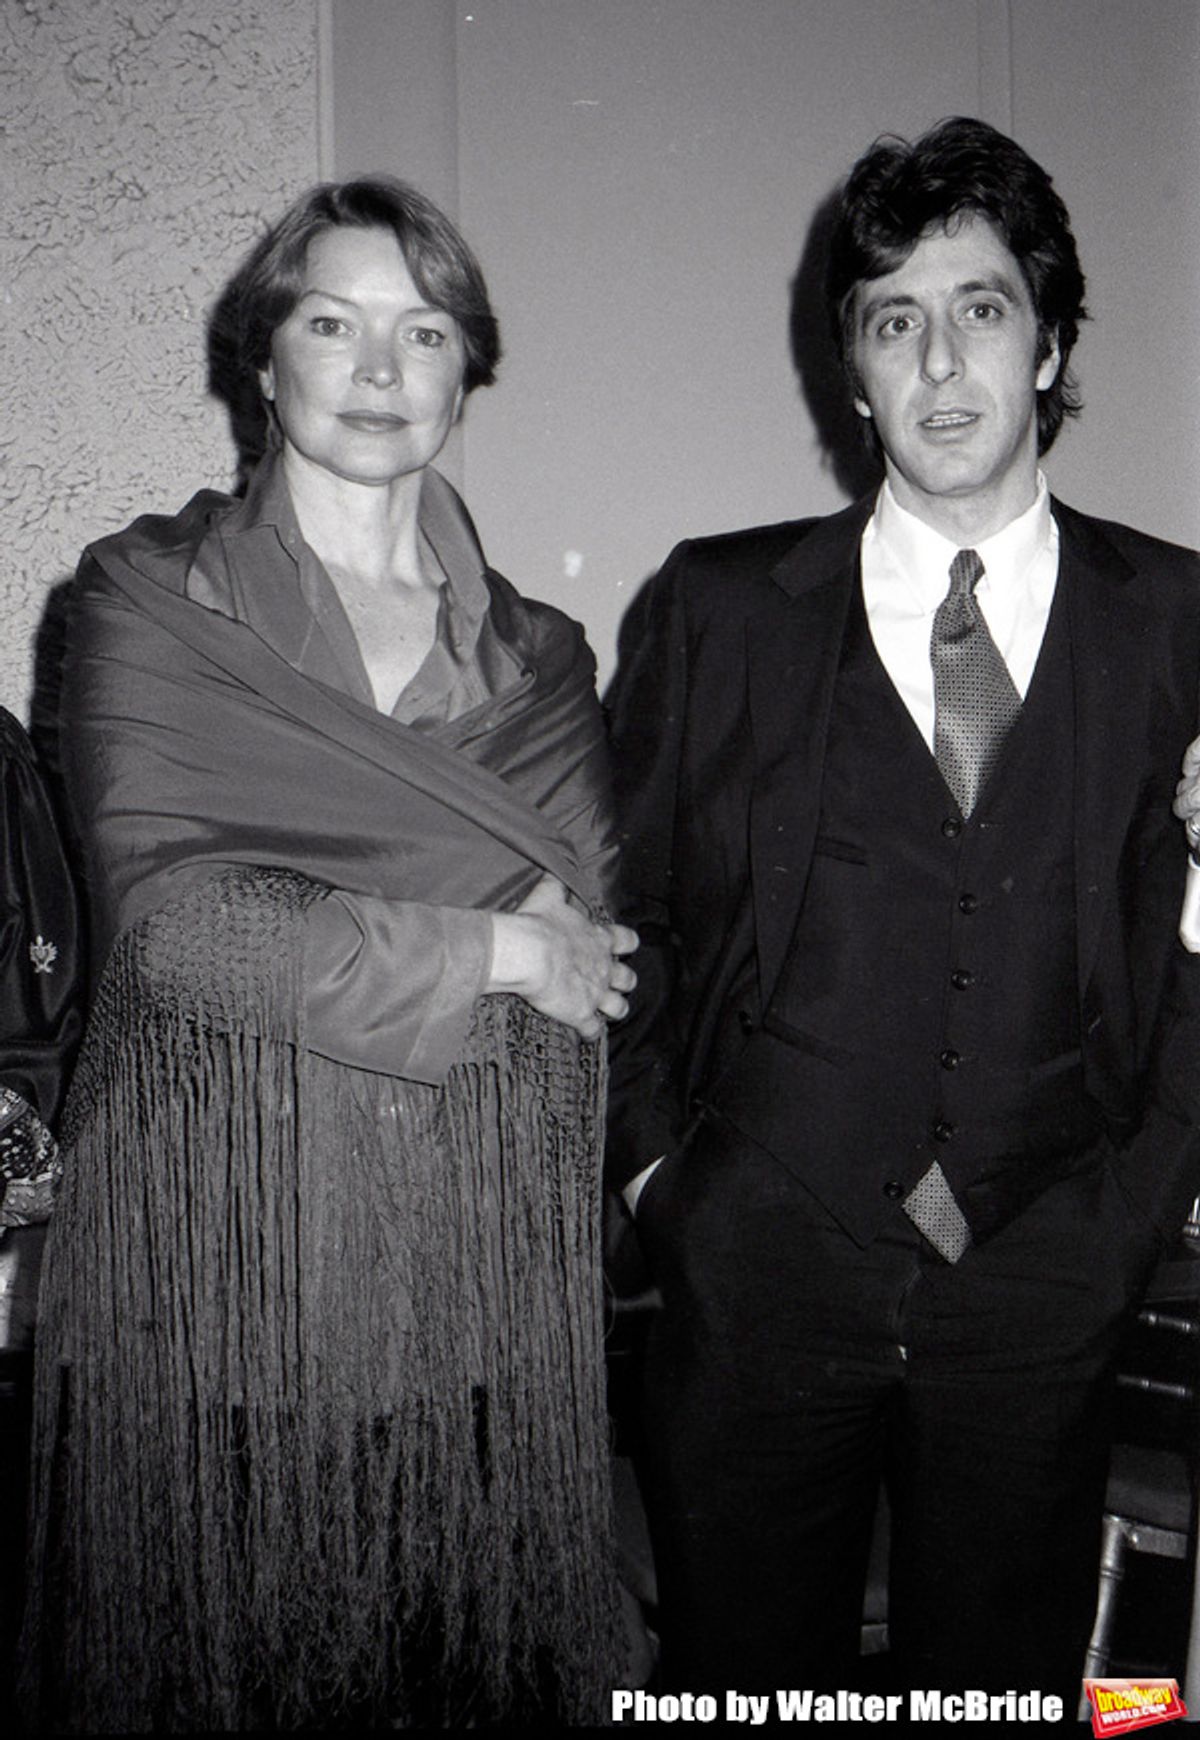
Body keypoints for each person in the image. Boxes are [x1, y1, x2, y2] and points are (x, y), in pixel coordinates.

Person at [20, 176, 636, 1732]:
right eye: (332, 323)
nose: (378, 370)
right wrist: (492, 939)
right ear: (265, 359)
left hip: (464, 1303)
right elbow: (182, 941)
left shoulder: (543, 660)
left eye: (422, 330)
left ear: (464, 371)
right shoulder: (145, 603)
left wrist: (330, 911)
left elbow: (598, 941)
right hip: (218, 1301)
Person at [606, 116, 1200, 1704]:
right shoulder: (718, 610)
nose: (940, 360)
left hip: (1046, 1277)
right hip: (761, 1280)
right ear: (852, 373)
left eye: (983, 308)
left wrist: (1132, 1219)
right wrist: (670, 1182)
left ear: (1052, 341)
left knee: (1001, 1696)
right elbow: (633, 913)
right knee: (746, 1685)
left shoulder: (1182, 624)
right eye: (893, 320)